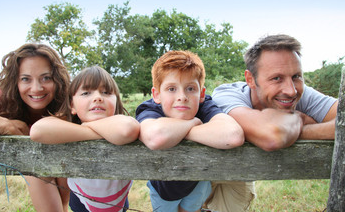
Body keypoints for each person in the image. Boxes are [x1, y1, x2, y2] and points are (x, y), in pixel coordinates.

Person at [206, 34, 338, 212]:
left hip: (234, 186)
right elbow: (272, 136)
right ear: (251, 79)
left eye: (296, 76)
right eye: (276, 78)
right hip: (190, 181)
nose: (291, 91)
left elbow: (342, 120)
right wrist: (300, 118)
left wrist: (297, 125)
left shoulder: (301, 92)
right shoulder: (227, 96)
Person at [135, 50, 244, 212]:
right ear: (156, 95)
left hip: (197, 183)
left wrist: (183, 131)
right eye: (171, 89)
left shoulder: (204, 104)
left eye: (191, 89)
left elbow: (233, 135)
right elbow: (156, 136)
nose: (182, 96)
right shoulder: (149, 108)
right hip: (164, 190)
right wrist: (193, 122)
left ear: (201, 93)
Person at [30, 65, 140, 212]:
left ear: (116, 101)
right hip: (81, 202)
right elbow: (37, 131)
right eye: (86, 93)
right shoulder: (69, 128)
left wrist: (87, 126)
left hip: (117, 200)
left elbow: (127, 129)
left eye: (106, 92)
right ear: (72, 105)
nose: (98, 97)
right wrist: (89, 128)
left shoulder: (119, 121)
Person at [0, 43, 71, 211]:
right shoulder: (0, 97)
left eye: (46, 77)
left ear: (57, 79)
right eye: (25, 79)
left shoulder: (70, 100)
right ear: (15, 81)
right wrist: (6, 126)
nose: (36, 88)